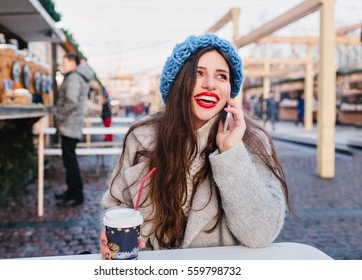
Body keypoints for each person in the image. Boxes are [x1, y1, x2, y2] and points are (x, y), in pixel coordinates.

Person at [99, 34, 292, 259]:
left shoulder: (252, 140)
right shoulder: (142, 137)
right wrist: (110, 235)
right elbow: (117, 203)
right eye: (198, 73)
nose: (210, 84)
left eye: (222, 76)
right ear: (178, 83)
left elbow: (260, 234)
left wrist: (231, 153)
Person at [55, 53, 94, 207]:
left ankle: (76, 194)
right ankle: (72, 191)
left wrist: (59, 117)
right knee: (69, 161)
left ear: (72, 62)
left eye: (64, 62)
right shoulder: (77, 76)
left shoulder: (73, 77)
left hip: (69, 125)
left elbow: (70, 101)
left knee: (70, 162)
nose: (62, 65)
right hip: (72, 124)